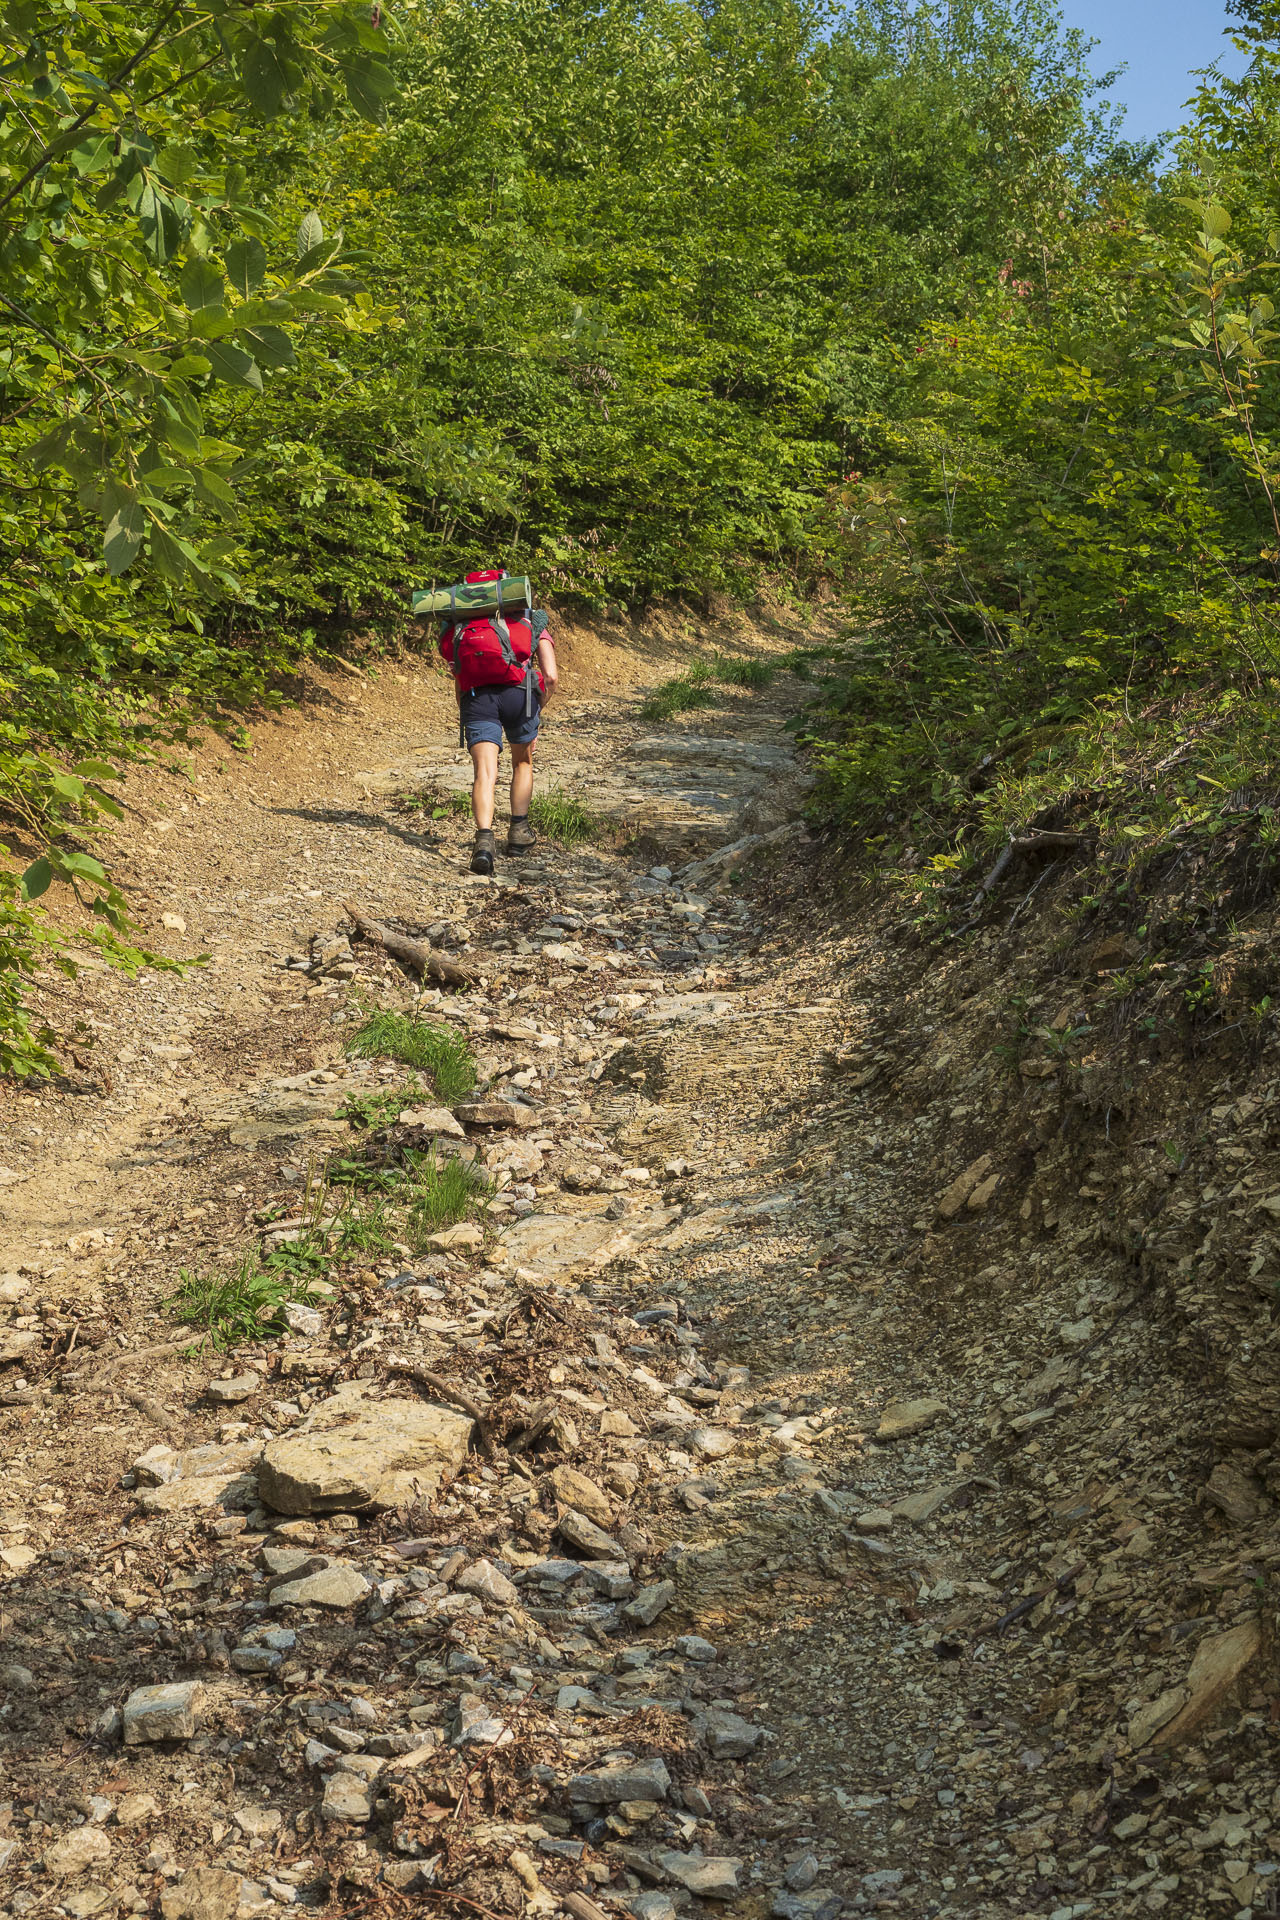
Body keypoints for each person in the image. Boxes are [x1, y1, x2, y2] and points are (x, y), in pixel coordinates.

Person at [437, 567, 558, 875]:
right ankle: (518, 834)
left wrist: (465, 706)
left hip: (477, 698)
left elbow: (459, 674)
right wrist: (539, 704)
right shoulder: (531, 618)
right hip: (521, 696)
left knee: (485, 772)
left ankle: (484, 843)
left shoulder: (460, 625)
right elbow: (551, 675)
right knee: (523, 763)